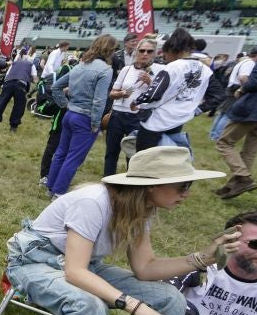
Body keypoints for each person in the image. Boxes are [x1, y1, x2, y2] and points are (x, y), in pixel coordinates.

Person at [6, 146, 238, 315]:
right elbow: (75, 272)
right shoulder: (93, 202)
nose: (187, 194)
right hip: (34, 262)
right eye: (183, 186)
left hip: (80, 264)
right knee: (89, 307)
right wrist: (137, 307)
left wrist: (202, 258)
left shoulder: (141, 207)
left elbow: (145, 268)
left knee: (170, 298)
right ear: (152, 185)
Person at [46, 34, 117, 198]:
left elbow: (56, 87)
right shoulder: (105, 70)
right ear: (110, 50)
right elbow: (99, 100)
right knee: (73, 158)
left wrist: (65, 105)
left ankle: (51, 186)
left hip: (70, 114)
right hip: (85, 118)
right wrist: (96, 124)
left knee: (61, 152)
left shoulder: (80, 65)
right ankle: (59, 192)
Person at [213, 44, 257, 200]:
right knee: (250, 151)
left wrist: (242, 89)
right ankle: (232, 186)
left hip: (255, 107)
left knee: (224, 143)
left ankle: (243, 178)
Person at [131, 28, 212, 153]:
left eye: (165, 53)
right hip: (178, 119)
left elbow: (154, 93)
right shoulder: (205, 69)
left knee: (144, 156)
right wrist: (197, 110)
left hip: (155, 121)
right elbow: (218, 95)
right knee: (168, 155)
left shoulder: (172, 67)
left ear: (172, 50)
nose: (164, 57)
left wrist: (136, 101)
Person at [103, 37, 161, 176]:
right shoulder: (126, 69)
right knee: (111, 152)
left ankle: (131, 184)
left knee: (134, 155)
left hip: (138, 117)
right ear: (136, 52)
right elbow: (112, 93)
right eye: (142, 50)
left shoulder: (159, 71)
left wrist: (150, 83)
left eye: (149, 51)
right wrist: (122, 93)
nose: (145, 54)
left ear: (154, 53)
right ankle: (108, 182)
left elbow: (160, 97)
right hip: (117, 115)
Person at [208, 46, 257, 141]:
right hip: (235, 90)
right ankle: (217, 135)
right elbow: (243, 77)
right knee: (228, 114)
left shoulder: (244, 61)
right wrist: (246, 88)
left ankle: (213, 134)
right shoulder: (250, 63)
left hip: (231, 88)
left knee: (222, 113)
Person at [0, 46, 37, 132]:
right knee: (19, 106)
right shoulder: (31, 64)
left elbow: (7, 75)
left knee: (1, 103)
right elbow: (35, 78)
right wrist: (32, 79)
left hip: (8, 83)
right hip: (21, 84)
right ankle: (13, 127)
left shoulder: (14, 63)